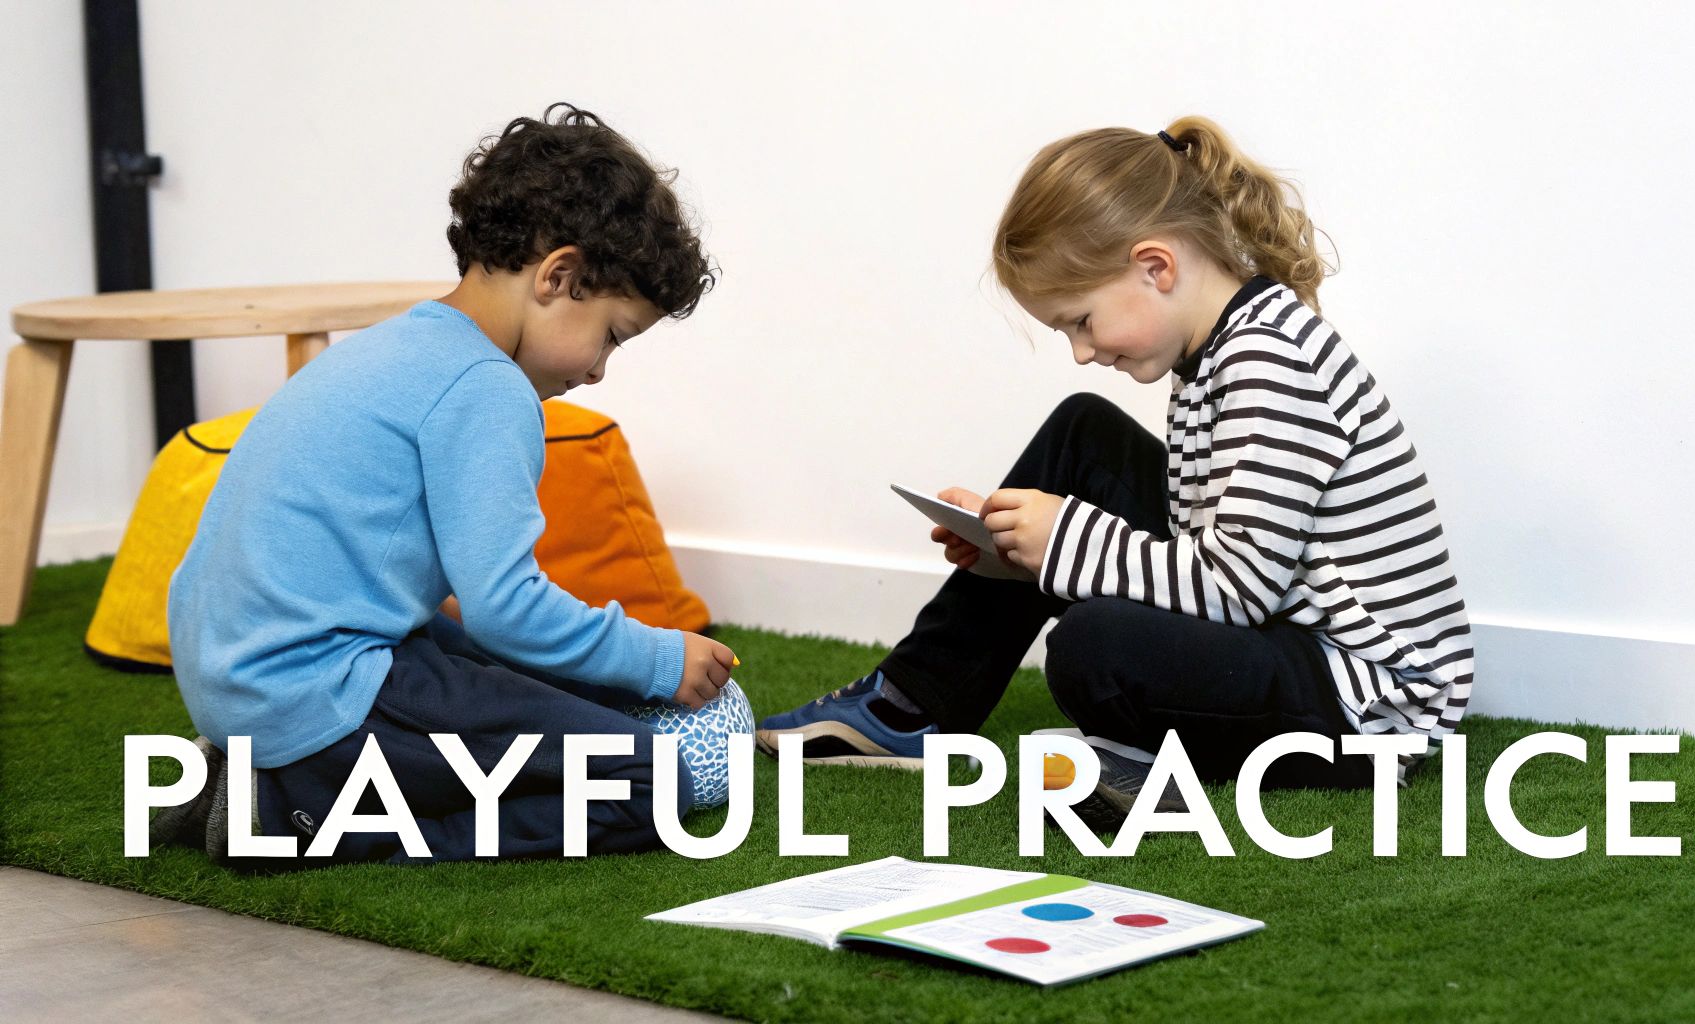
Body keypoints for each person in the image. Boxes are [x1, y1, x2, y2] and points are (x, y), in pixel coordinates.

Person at [758, 117, 1474, 831]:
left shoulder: (1272, 363)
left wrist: (1066, 543)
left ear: (1155, 267)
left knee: (1092, 645)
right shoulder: (1216, 351)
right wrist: (1022, 556)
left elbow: (1237, 589)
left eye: (1082, 321)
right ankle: (914, 703)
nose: (1080, 349)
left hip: (1364, 710)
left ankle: (1143, 765)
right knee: (1083, 433)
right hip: (1283, 627)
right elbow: (1210, 558)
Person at [154, 104, 735, 866]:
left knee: (495, 670)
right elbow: (509, 612)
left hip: (246, 681)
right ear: (558, 276)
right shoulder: (487, 390)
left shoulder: (399, 345)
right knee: (643, 781)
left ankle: (265, 772)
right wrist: (658, 660)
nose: (597, 371)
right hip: (320, 695)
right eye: (612, 337)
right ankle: (288, 812)